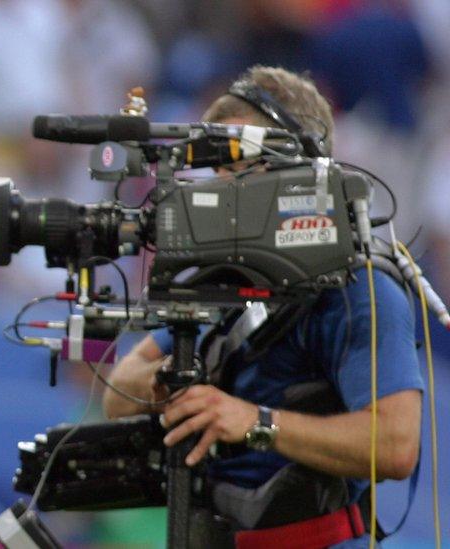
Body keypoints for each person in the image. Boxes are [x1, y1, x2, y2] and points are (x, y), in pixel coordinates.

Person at [102, 66, 423, 548]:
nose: (224, 189)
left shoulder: (360, 289)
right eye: (220, 172)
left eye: (240, 169)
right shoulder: (228, 274)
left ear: (301, 169)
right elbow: (117, 394)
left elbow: (397, 446)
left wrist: (257, 422)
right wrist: (180, 381)